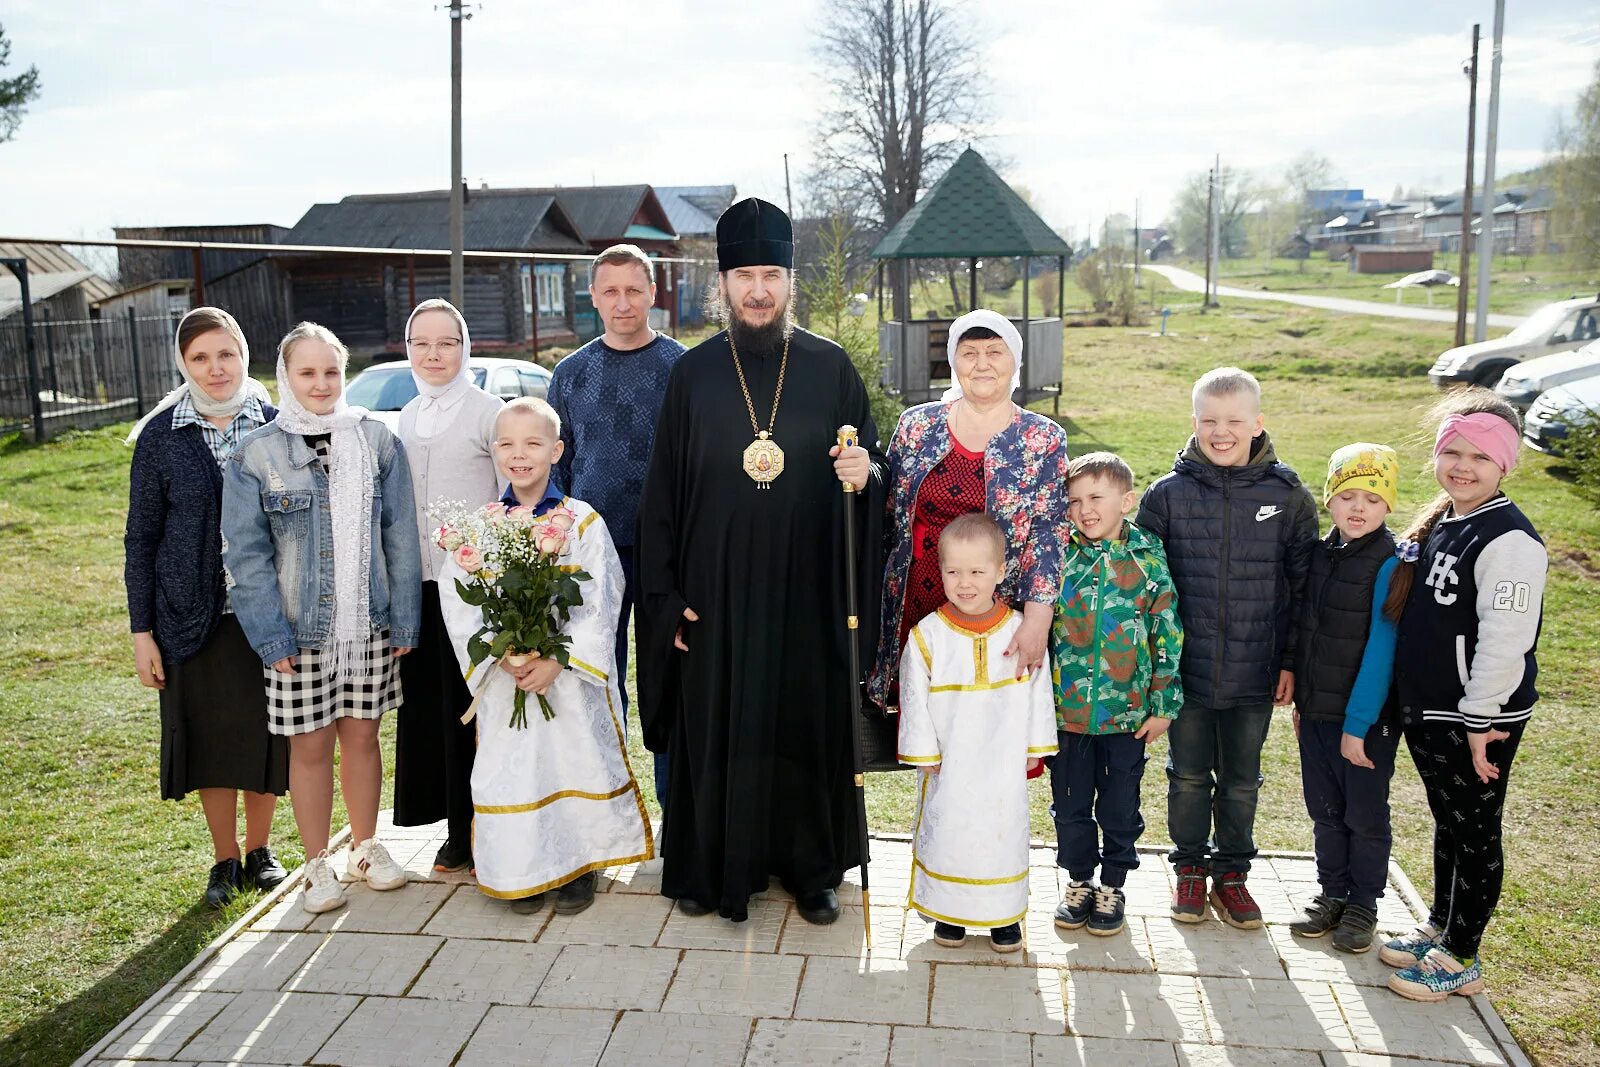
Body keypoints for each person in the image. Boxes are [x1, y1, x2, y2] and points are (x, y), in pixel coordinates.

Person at [635, 197, 884, 925]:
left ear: (789, 281)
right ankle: (721, 866)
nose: (758, 289)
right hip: (717, 595)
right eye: (744, 275)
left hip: (809, 591)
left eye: (771, 273)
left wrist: (865, 475)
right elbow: (662, 498)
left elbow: (871, 469)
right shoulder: (694, 375)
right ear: (723, 285)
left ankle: (813, 871)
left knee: (806, 723)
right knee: (721, 724)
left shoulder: (830, 367)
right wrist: (667, 593)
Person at [223, 322, 421, 915]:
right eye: (307, 372)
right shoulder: (255, 454)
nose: (320, 383)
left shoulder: (376, 442)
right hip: (295, 630)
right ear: (285, 377)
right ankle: (316, 865)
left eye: (331, 371)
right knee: (309, 746)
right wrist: (268, 634)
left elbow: (401, 537)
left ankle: (365, 847)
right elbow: (245, 554)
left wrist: (404, 620)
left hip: (368, 622)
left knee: (362, 736)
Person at [439, 398, 653, 914]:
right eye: (507, 444)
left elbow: (603, 596)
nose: (520, 455)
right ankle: (522, 867)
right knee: (515, 767)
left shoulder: (579, 522)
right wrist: (502, 654)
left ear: (556, 450)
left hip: (566, 680)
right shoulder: (482, 527)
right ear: (494, 451)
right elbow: (460, 598)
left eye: (533, 443)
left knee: (571, 759)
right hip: (507, 679)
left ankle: (580, 864)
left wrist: (557, 659)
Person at [1380, 391, 1546, 1002]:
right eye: (1452, 451)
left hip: (1479, 717)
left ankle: (1463, 957)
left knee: (1476, 830)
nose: (1462, 465)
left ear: (1506, 465)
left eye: (1480, 456)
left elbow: (1506, 639)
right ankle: (1442, 928)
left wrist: (1481, 719)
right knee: (1450, 826)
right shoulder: (1450, 521)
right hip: (1433, 711)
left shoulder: (1510, 540)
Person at [1137, 366, 1317, 929]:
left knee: (1241, 779)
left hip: (1255, 671)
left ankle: (1233, 874)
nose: (1222, 431)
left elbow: (1303, 588)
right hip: (1183, 673)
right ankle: (1189, 869)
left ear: (1258, 423)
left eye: (1235, 421)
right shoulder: (1165, 496)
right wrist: (1151, 669)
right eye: (1210, 420)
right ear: (1194, 423)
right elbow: (1142, 586)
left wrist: (1289, 661)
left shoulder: (1287, 497)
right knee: (1187, 775)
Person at [123, 307, 289, 909]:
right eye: (200, 358)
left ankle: (260, 852)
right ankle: (223, 860)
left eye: (226, 354)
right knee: (212, 742)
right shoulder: (161, 436)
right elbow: (141, 537)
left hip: (266, 614)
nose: (215, 369)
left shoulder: (277, 425)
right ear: (182, 363)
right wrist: (143, 631)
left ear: (245, 355)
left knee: (267, 735)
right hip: (188, 616)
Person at [867, 309, 1070, 713]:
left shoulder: (1042, 438)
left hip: (997, 608)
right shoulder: (917, 425)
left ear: (1015, 361)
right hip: (917, 600)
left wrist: (1037, 619)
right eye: (969, 352)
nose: (982, 364)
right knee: (924, 732)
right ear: (953, 360)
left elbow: (1048, 535)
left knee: (983, 725)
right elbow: (885, 514)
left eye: (994, 352)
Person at [549, 244, 685, 814]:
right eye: (611, 291)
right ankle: (607, 813)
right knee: (596, 678)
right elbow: (559, 467)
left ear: (653, 293)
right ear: (594, 297)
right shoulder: (571, 374)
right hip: (592, 553)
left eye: (634, 290)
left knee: (668, 682)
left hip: (668, 550)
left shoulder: (684, 367)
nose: (623, 302)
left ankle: (678, 816)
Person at [898, 514, 1057, 952]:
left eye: (976, 572)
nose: (964, 583)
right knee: (950, 831)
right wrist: (923, 751)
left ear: (1001, 571)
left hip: (1002, 761)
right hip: (951, 762)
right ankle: (950, 915)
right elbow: (913, 698)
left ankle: (1003, 917)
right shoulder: (929, 636)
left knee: (1001, 834)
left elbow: (1039, 688)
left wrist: (1034, 746)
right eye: (953, 572)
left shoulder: (1020, 630)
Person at [1048, 452, 1182, 938]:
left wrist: (1164, 705)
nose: (1084, 509)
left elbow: (1166, 630)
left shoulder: (1146, 556)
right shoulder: (1060, 555)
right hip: (1069, 713)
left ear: (1125, 500)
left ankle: (1113, 884)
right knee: (1070, 803)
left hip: (1128, 714)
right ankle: (1079, 881)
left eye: (1096, 498)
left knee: (1120, 805)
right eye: (1075, 501)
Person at [393, 298, 503, 874]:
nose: (435, 355)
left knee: (477, 710)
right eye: (422, 344)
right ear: (407, 348)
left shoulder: (489, 412)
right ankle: (454, 826)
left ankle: (485, 829)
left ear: (466, 346)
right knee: (438, 711)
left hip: (477, 589)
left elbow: (516, 497)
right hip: (423, 588)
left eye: (447, 343)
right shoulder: (407, 415)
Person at [1288, 443, 1403, 954]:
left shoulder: (1391, 564)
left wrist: (1358, 723)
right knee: (1325, 808)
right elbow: (1305, 623)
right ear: (1329, 499)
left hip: (1365, 720)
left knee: (1364, 814)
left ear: (1388, 507)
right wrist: (1298, 692)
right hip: (1316, 709)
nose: (1359, 508)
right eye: (1348, 496)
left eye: (1372, 500)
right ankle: (1332, 893)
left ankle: (1364, 904)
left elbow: (1382, 648)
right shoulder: (1320, 554)